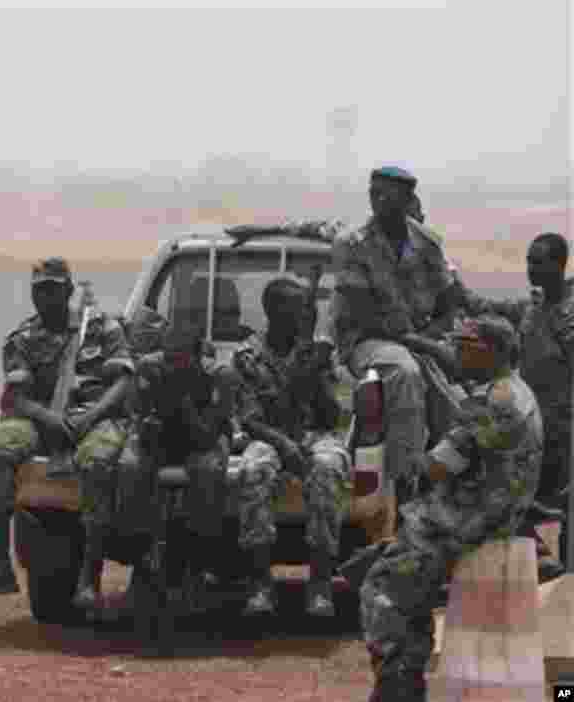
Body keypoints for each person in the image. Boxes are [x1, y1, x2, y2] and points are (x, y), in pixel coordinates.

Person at [359, 314, 543, 702]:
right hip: (494, 513)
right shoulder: (517, 391)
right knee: (398, 573)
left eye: (462, 346)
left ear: (487, 351)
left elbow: (436, 469)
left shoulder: (491, 400)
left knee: (382, 586)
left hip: (464, 520)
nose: (455, 352)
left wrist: (410, 462)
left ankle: (398, 684)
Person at [0, 258, 134, 608]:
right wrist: (46, 418)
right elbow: (16, 397)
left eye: (54, 289)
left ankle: (89, 578)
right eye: (39, 289)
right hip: (40, 419)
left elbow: (122, 382)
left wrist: (92, 415)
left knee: (99, 462)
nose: (46, 297)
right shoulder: (23, 339)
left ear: (69, 290)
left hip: (94, 415)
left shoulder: (103, 328)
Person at [330, 166, 460, 504]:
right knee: (405, 371)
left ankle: (451, 484)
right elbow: (361, 313)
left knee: (461, 392)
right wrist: (415, 342)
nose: (376, 200)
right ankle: (407, 483)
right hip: (366, 340)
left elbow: (449, 305)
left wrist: (429, 337)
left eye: (385, 194)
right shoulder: (353, 244)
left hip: (416, 338)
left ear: (408, 200)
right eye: (373, 192)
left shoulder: (428, 244)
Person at [454, 232, 573, 574]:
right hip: (534, 427)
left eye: (538, 261)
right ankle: (544, 559)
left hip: (565, 430)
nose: (530, 268)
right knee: (517, 497)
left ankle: (562, 575)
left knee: (560, 507)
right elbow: (482, 307)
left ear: (558, 264)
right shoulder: (533, 309)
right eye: (528, 261)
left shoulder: (567, 316)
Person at [233, 277, 352, 617]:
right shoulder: (248, 355)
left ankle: (321, 584)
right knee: (254, 470)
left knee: (329, 467)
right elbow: (249, 419)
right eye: (299, 308)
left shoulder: (317, 351)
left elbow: (332, 417)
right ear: (275, 311)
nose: (306, 314)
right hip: (268, 435)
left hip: (314, 434)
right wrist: (284, 444)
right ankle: (260, 584)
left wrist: (314, 372)